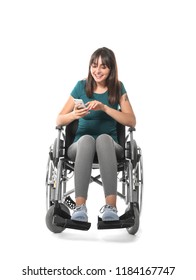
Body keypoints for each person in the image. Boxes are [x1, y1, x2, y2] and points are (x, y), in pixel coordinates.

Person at [56, 47, 136, 222]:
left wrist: (105, 108)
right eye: (94, 65)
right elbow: (59, 120)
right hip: (79, 147)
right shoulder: (81, 86)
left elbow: (131, 121)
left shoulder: (118, 88)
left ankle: (111, 208)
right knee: (87, 140)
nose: (97, 71)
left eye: (103, 67)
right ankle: (79, 208)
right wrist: (74, 115)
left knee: (103, 139)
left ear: (111, 69)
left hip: (110, 147)